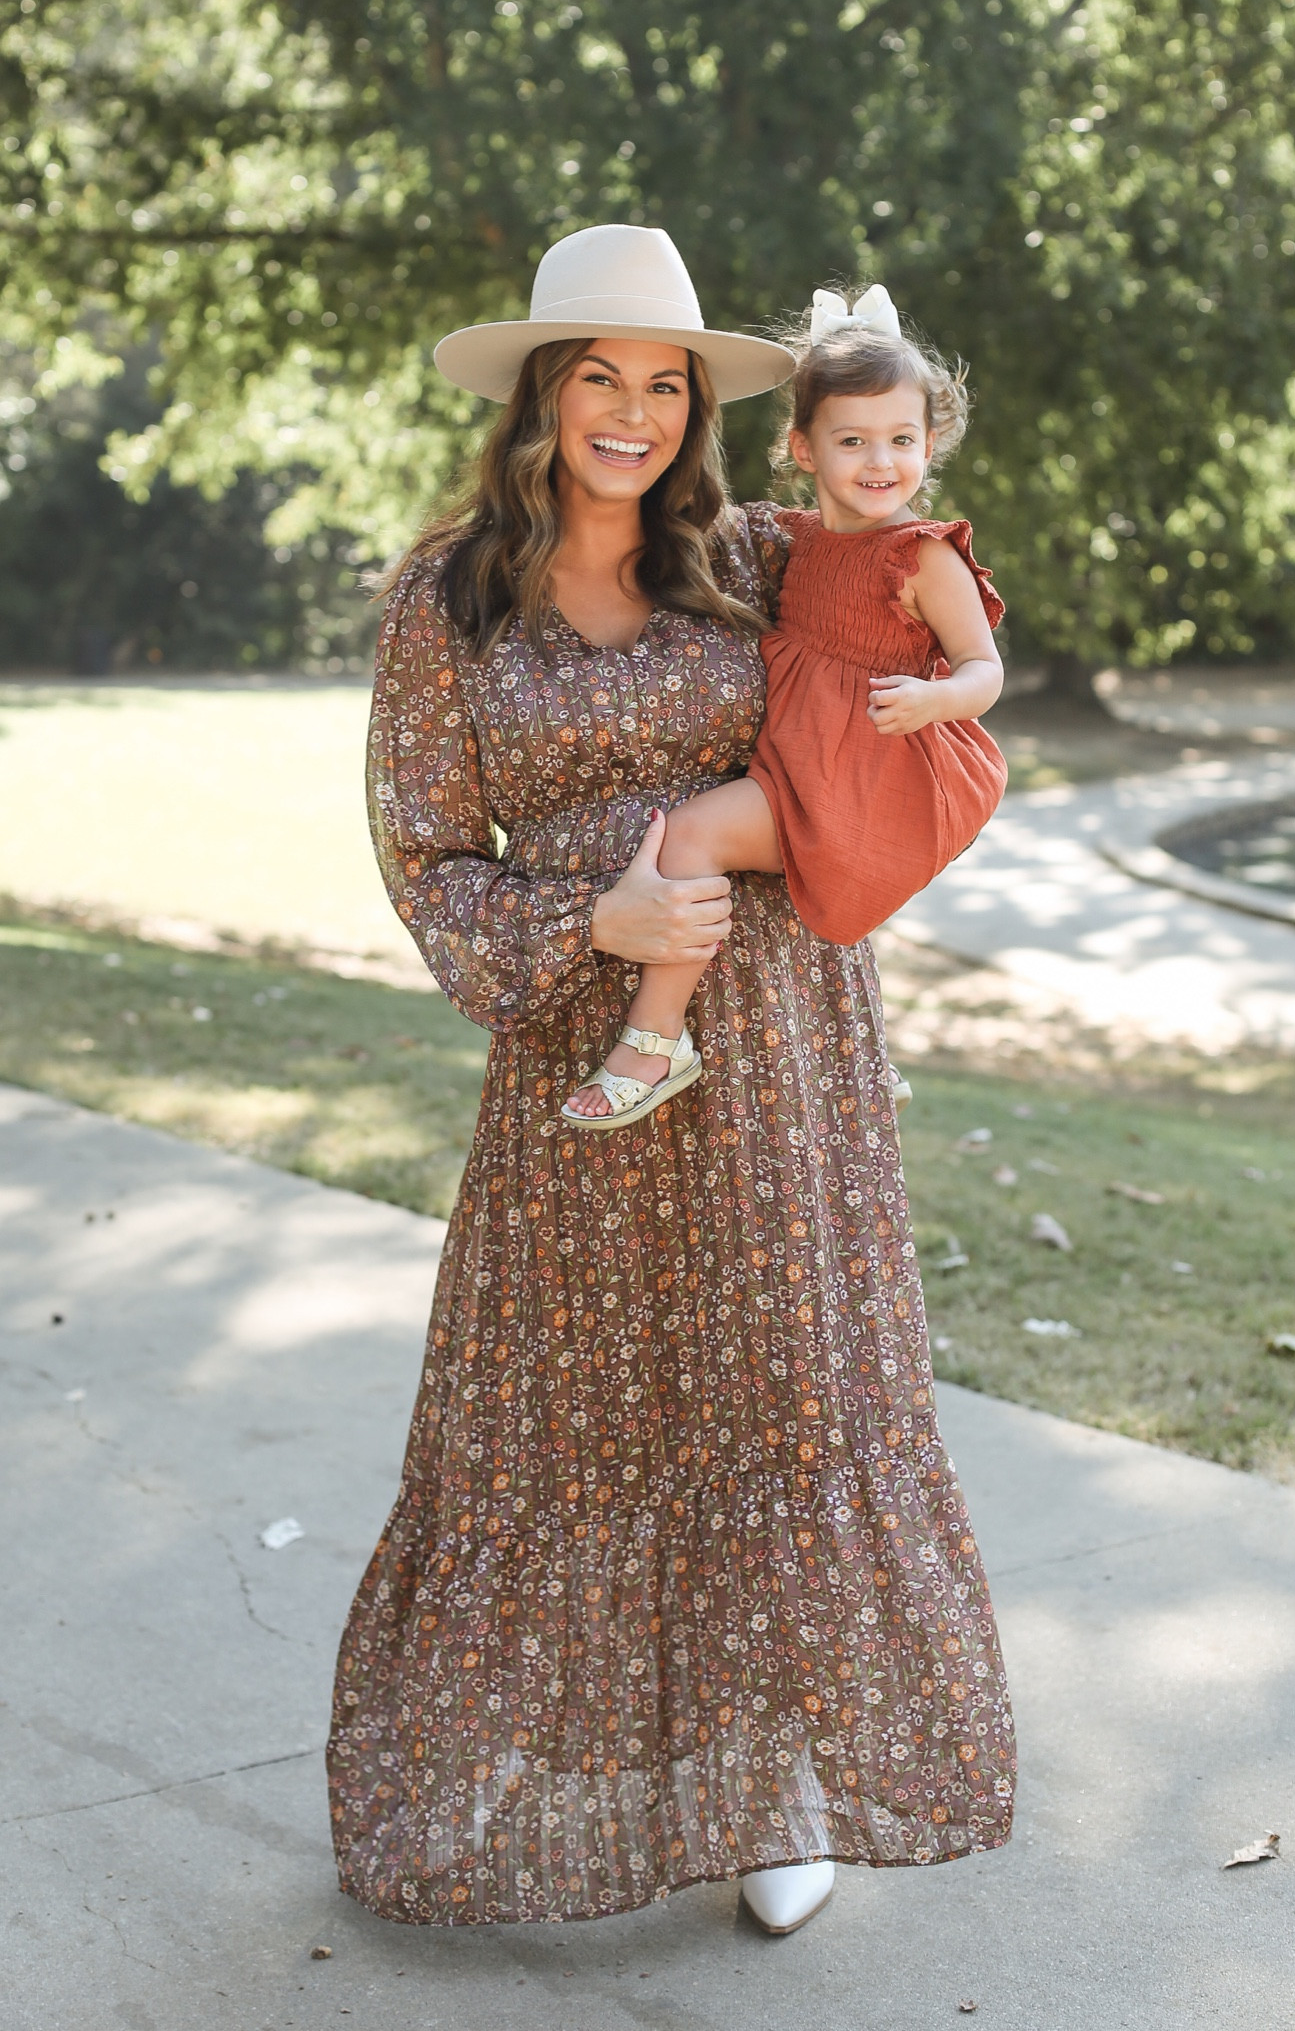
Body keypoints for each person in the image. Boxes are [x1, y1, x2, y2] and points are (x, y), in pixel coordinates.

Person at [327, 224, 1015, 1938]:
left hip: (779, 1044)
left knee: (779, 1388)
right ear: (544, 399)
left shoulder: (770, 555)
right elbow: (425, 854)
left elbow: (926, 684)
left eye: (662, 382)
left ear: (698, 408)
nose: (631, 411)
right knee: (559, 1412)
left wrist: (813, 814)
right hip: (581, 1043)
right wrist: (600, 911)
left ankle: (780, 1779)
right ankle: (525, 1769)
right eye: (598, 378)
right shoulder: (446, 595)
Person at [563, 282, 1007, 1129]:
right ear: (803, 449)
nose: (880, 463)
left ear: (930, 441)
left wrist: (935, 697)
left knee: (688, 835)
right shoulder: (795, 538)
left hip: (873, 765)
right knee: (784, 891)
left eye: (901, 440)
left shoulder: (923, 559)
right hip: (805, 757)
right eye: (853, 441)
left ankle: (653, 1044)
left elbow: (983, 671)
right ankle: (858, 1050)